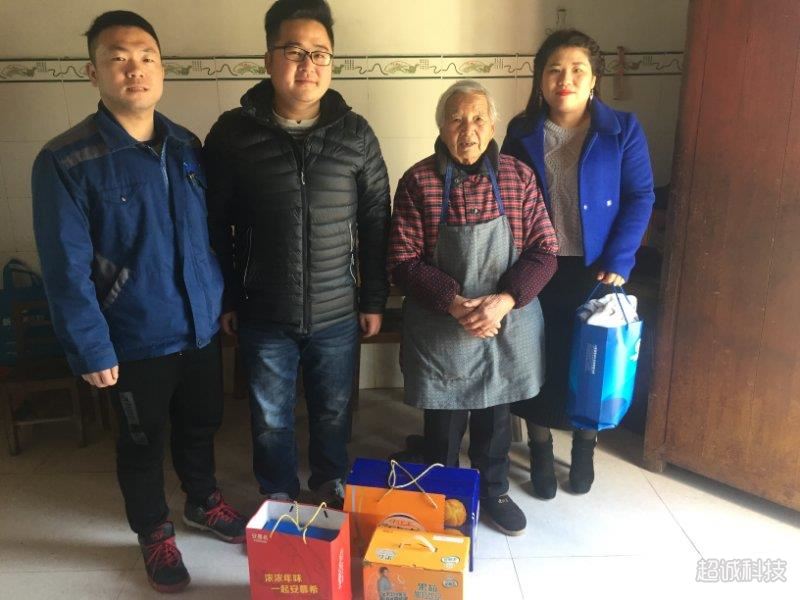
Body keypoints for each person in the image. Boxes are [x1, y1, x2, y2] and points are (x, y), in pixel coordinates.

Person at [31, 11, 246, 593]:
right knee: (142, 439)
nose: (135, 69)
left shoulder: (186, 146)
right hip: (131, 335)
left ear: (163, 68)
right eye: (118, 58)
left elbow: (209, 236)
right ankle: (154, 530)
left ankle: (202, 501)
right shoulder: (66, 159)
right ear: (93, 72)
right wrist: (90, 346)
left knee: (201, 424)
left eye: (147, 57)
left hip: (198, 326)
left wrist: (222, 300)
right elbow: (65, 267)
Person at [204, 0, 390, 509]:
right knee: (270, 416)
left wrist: (373, 299)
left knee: (334, 409)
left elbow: (377, 221)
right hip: (263, 309)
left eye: (320, 53)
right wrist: (228, 297)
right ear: (268, 59)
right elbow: (214, 225)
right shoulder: (232, 134)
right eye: (294, 51)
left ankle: (330, 480)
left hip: (337, 309)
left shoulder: (356, 134)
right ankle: (278, 492)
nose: (308, 64)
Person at [388, 80, 559, 536]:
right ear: (441, 127)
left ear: (493, 124)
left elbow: (545, 251)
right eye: (457, 119)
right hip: (443, 323)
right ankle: (443, 496)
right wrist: (454, 303)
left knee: (495, 412)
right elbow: (402, 260)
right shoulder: (418, 181)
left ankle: (494, 489)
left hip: (506, 320)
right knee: (443, 417)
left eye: (478, 118)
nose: (468, 130)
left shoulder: (518, 178)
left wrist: (504, 300)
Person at [502, 29, 655, 499]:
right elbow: (506, 196)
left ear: (593, 80)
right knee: (537, 362)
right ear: (540, 79)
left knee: (593, 364)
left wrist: (621, 258)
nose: (564, 79)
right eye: (554, 69)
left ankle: (585, 449)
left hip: (597, 270)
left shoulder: (622, 129)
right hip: (537, 267)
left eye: (576, 70)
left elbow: (640, 195)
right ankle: (541, 450)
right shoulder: (521, 131)